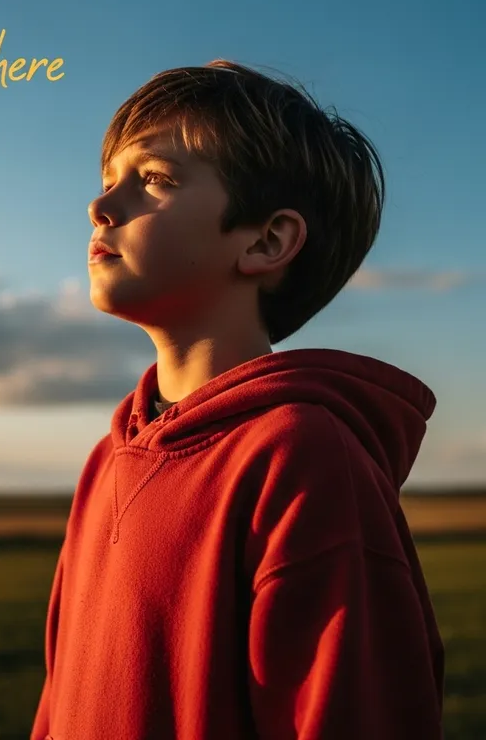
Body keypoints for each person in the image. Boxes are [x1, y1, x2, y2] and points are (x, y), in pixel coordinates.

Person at [30, 60, 445, 740]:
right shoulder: (108, 458)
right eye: (109, 180)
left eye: (155, 180)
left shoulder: (303, 456)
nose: (100, 207)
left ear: (266, 241)